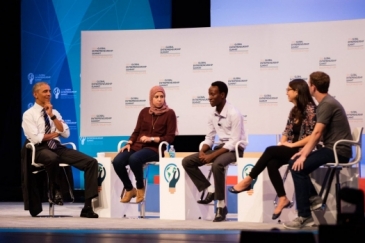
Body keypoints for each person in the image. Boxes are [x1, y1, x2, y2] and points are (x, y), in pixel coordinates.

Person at [228, 79, 317, 220]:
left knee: (270, 150)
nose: (286, 93)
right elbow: (287, 132)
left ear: (297, 91)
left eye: (288, 90)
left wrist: (292, 145)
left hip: (305, 150)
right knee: (272, 163)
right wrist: (282, 143)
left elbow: (313, 136)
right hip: (293, 148)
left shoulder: (310, 109)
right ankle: (283, 198)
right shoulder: (294, 110)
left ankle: (248, 180)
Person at [283, 71, 353, 229]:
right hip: (332, 149)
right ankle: (314, 199)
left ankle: (304, 216)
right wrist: (302, 152)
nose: (308, 86)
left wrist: (304, 154)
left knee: (297, 167)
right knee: (294, 161)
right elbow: (317, 135)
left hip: (337, 152)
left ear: (313, 87)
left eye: (309, 84)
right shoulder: (326, 103)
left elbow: (317, 133)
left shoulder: (327, 104)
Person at [22, 82, 99, 218]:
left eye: (50, 91)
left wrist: (52, 116)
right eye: (45, 91)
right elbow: (36, 138)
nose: (49, 94)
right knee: (52, 158)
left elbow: (65, 133)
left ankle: (87, 207)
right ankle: (55, 188)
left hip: (57, 147)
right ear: (35, 94)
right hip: (39, 150)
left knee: (91, 162)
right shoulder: (29, 114)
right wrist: (53, 134)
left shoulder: (55, 112)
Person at [182, 81, 247, 222]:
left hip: (235, 149)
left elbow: (234, 141)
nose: (209, 97)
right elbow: (209, 138)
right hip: (220, 148)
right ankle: (210, 189)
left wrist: (213, 156)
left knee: (217, 164)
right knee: (187, 161)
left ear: (222, 95)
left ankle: (221, 207)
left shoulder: (234, 113)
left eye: (213, 94)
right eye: (209, 94)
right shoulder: (212, 114)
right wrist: (202, 151)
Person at [113, 86, 177, 203]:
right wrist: (129, 142)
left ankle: (140, 188)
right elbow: (136, 131)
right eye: (156, 97)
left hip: (154, 149)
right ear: (151, 98)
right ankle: (129, 189)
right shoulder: (144, 112)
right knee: (117, 161)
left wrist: (151, 139)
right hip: (136, 146)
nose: (159, 99)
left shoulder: (170, 113)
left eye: (162, 96)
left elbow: (170, 137)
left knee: (134, 159)